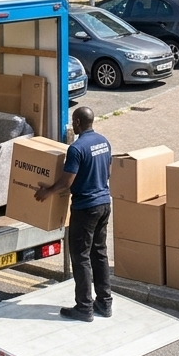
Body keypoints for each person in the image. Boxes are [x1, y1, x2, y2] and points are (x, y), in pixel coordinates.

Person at [34, 106, 112, 322]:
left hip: (86, 207)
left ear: (77, 122)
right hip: (104, 203)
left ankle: (84, 307)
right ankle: (104, 303)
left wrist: (48, 191)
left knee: (80, 256)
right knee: (99, 253)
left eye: (73, 121)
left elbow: (67, 181)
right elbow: (107, 171)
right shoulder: (104, 142)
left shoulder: (76, 149)